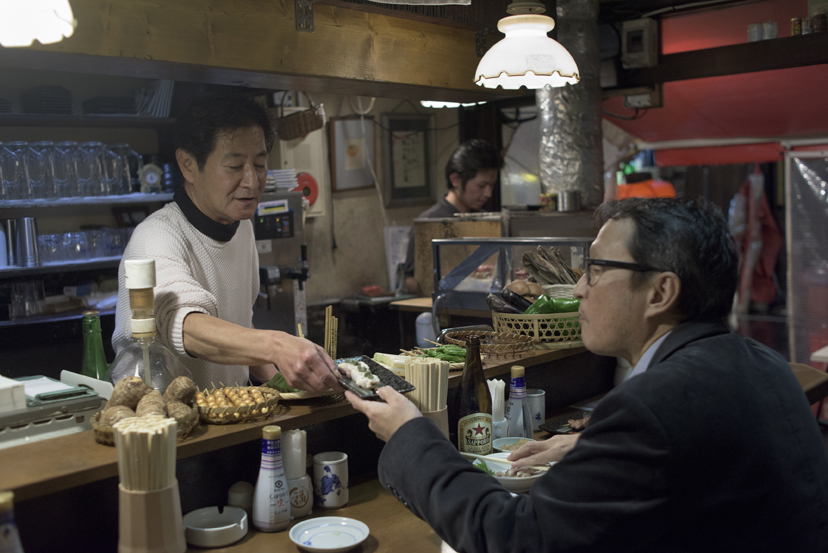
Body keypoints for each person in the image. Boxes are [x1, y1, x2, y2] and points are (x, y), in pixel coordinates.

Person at [348, 198, 828, 553]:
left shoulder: (649, 408)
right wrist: (590, 446)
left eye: (595, 270)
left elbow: (515, 538)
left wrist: (411, 434)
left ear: (661, 291)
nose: (578, 288)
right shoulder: (764, 363)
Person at [113, 93, 340, 393]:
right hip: (166, 426)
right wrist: (278, 345)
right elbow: (186, 326)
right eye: (234, 166)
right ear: (188, 165)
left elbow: (241, 332)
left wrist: (289, 379)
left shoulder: (241, 226)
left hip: (231, 419)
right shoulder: (155, 237)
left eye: (260, 164)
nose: (251, 181)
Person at [402, 139, 502, 294]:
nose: (488, 193)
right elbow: (411, 281)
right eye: (482, 186)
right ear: (455, 179)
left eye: (492, 186)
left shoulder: (487, 221)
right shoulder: (430, 222)